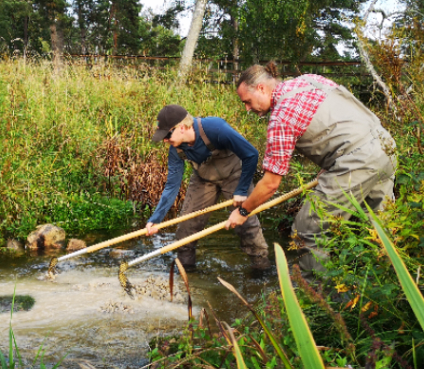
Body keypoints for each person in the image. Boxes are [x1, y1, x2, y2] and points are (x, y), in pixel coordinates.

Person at [225, 61, 396, 280]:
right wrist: (334, 164)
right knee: (382, 227)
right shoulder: (309, 80)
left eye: (247, 102)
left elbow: (271, 184)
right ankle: (392, 288)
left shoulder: (281, 117)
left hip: (358, 161)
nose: (247, 109)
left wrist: (242, 212)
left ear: (261, 88)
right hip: (385, 147)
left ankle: (318, 301)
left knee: (307, 230)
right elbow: (340, 120)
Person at [146, 105, 269, 270]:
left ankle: (262, 270)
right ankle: (187, 273)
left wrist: (241, 190)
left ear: (181, 128)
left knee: (246, 225)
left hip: (234, 175)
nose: (165, 140)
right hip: (203, 179)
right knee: (186, 228)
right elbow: (172, 185)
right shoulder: (176, 150)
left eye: (167, 135)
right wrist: (156, 219)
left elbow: (251, 154)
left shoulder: (215, 128)